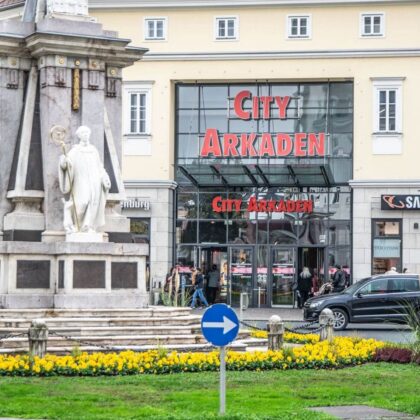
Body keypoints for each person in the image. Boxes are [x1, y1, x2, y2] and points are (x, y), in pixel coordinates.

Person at [58, 126, 111, 233]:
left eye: (87, 132)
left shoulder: (93, 150)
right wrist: (64, 162)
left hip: (95, 180)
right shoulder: (75, 150)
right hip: (81, 180)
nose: (85, 135)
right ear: (79, 136)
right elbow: (67, 164)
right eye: (83, 133)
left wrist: (105, 177)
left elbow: (99, 166)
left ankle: (87, 226)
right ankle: (76, 225)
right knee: (82, 202)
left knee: (93, 202)